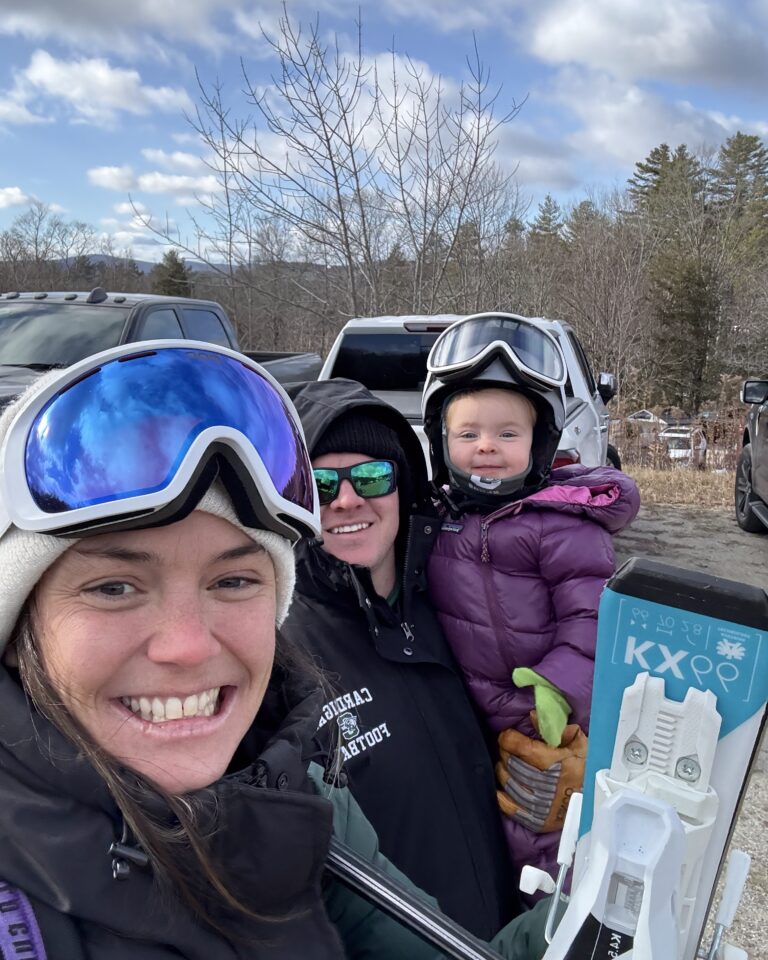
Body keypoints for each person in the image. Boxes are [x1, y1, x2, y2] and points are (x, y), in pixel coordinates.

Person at [0, 341, 548, 959]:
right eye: (114, 588)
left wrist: (603, 902)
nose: (187, 647)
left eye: (233, 581)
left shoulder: (293, 804)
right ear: (19, 627)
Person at [283, 377, 518, 939]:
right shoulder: (281, 654)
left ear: (402, 485)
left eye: (371, 477)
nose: (347, 500)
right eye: (321, 485)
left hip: (514, 933)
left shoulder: (460, 607)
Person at [422, 313, 640, 884]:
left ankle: (545, 915)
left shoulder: (562, 527)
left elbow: (592, 616)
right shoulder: (437, 519)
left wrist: (557, 687)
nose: (486, 446)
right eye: (467, 434)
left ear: (539, 442)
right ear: (441, 442)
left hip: (542, 719)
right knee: (474, 834)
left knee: (537, 833)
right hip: (468, 714)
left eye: (507, 434)